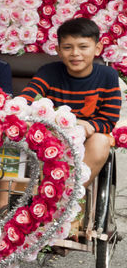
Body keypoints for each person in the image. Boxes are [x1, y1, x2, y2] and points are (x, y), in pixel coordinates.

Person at [20, 17, 121, 180]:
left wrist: (83, 128)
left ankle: (70, 198)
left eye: (83, 47)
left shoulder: (107, 76)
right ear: (58, 50)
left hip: (86, 140)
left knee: (101, 141)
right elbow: (25, 102)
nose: (75, 54)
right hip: (50, 136)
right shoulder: (48, 72)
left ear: (97, 48)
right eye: (68, 47)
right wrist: (70, 122)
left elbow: (108, 121)